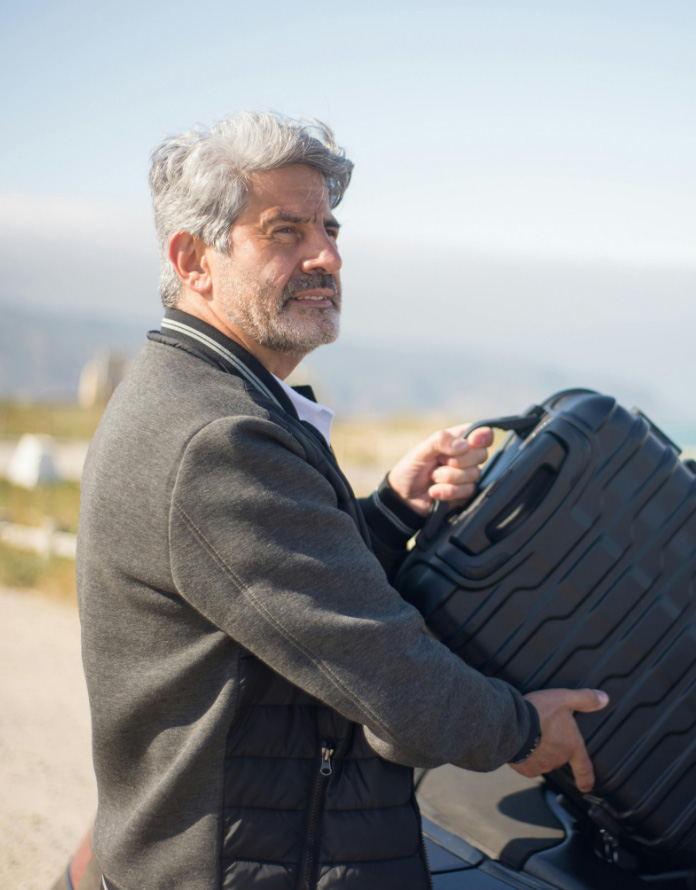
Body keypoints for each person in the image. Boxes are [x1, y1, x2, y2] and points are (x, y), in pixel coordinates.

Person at [76, 110, 608, 890]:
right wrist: (524, 729)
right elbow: (385, 669)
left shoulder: (203, 396)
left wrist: (392, 508)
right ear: (194, 260)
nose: (325, 254)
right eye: (284, 231)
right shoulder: (217, 437)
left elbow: (273, 591)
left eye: (328, 226)